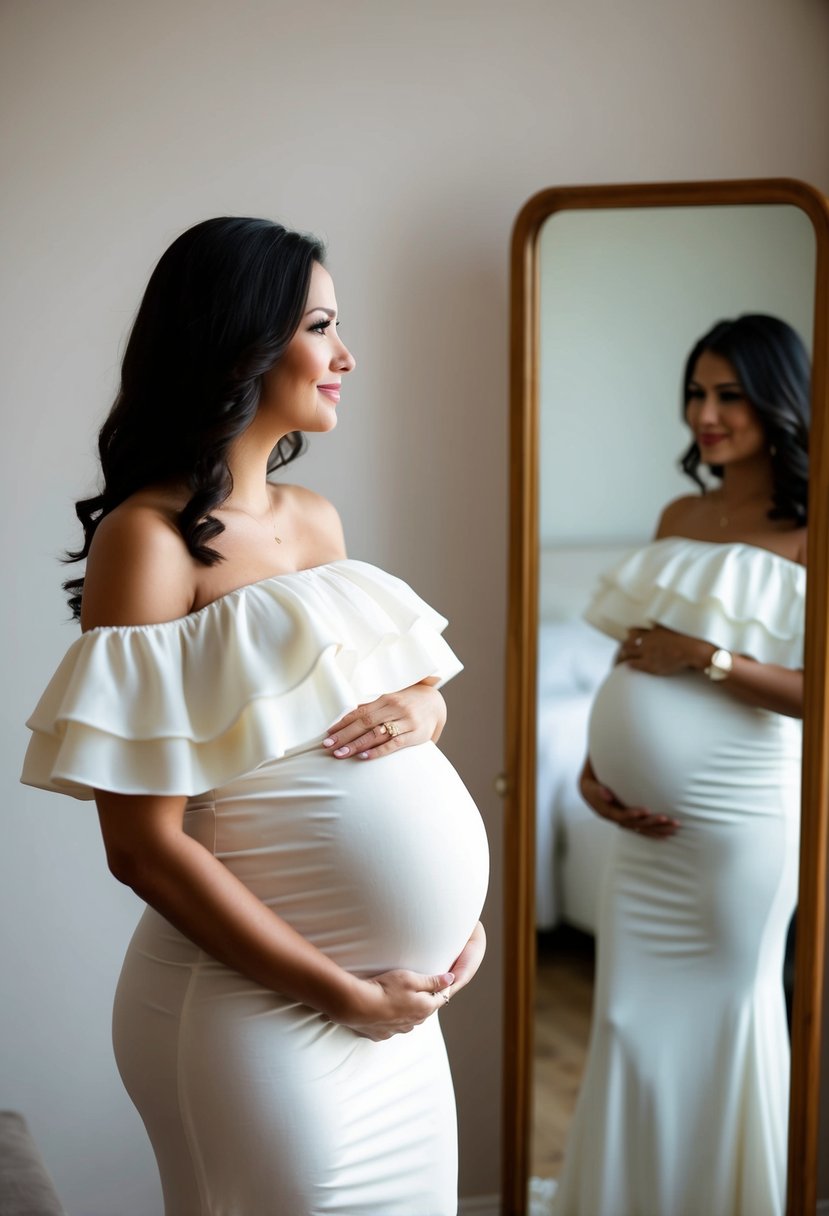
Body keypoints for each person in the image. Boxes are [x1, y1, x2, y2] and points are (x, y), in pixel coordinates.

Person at [21, 217, 489, 1216]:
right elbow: (141, 846)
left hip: (396, 1023)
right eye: (322, 326)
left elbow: (345, 715)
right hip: (265, 1013)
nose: (346, 356)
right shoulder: (147, 544)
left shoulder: (315, 519)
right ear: (242, 342)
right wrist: (346, 993)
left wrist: (425, 709)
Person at [551, 314, 809, 1216]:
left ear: (778, 400)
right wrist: (592, 767)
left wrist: (707, 657)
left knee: (721, 1027)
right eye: (696, 394)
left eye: (728, 394)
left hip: (739, 828)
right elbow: (629, 659)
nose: (705, 413)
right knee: (625, 1024)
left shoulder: (811, 528)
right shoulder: (679, 517)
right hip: (642, 833)